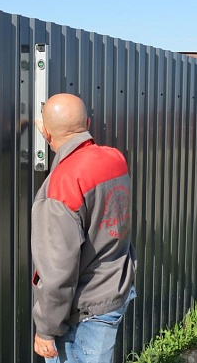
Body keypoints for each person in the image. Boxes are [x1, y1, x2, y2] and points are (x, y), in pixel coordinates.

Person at [31, 93, 137, 362]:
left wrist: (45, 329)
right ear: (88, 123)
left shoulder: (60, 187)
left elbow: (57, 272)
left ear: (46, 133)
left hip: (85, 311)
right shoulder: (115, 159)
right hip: (114, 291)